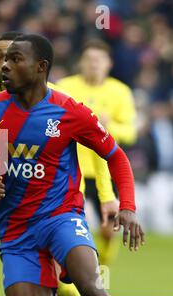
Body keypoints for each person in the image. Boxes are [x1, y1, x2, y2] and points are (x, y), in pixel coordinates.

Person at [0, 34, 144, 296]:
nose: (5, 66)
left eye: (15, 60)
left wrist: (127, 206)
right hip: (16, 229)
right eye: (4, 59)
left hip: (61, 217)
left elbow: (116, 156)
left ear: (41, 67)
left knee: (92, 290)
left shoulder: (70, 111)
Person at [0, 31, 80, 296]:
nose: (3, 63)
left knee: (77, 283)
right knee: (46, 284)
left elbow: (102, 148)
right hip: (17, 203)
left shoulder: (60, 98)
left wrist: (109, 195)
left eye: (11, 57)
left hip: (59, 194)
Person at [56, 40, 137, 265]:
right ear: (80, 62)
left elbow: (130, 133)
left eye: (98, 60)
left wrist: (107, 125)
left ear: (108, 63)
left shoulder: (120, 92)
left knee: (108, 229)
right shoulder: (64, 86)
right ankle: (72, 272)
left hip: (106, 169)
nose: (93, 64)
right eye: (89, 59)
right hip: (71, 167)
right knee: (72, 224)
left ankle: (102, 265)